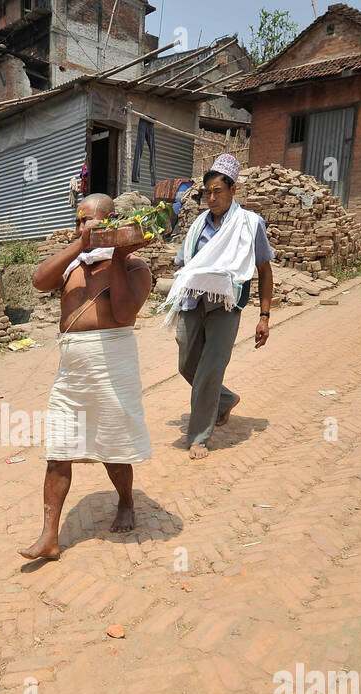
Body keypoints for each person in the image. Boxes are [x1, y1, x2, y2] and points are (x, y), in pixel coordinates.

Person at [17, 193, 153, 561]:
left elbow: (124, 315)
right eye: (79, 222)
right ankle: (49, 536)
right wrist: (79, 244)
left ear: (110, 222)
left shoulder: (136, 266)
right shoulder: (73, 264)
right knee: (59, 449)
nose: (84, 227)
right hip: (72, 369)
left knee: (114, 446)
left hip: (113, 363)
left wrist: (119, 257)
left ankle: (126, 502)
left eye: (90, 221)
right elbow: (38, 280)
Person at [159, 153, 274, 460]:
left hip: (226, 305)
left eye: (217, 191)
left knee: (210, 370)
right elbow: (186, 263)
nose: (211, 197)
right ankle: (224, 400)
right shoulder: (198, 225)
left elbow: (264, 271)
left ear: (233, 190)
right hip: (193, 300)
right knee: (186, 362)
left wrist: (264, 316)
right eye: (207, 192)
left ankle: (199, 436)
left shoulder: (250, 224)